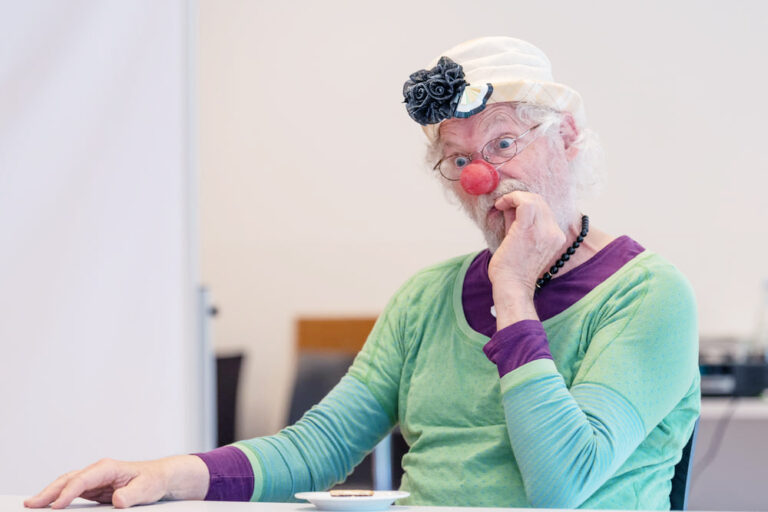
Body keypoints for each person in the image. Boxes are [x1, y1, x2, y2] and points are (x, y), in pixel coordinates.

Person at [25, 36, 699, 510]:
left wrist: (514, 292)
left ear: (567, 138)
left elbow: (563, 484)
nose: (482, 178)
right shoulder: (426, 298)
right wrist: (168, 474)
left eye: (502, 144)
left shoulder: (648, 293)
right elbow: (318, 447)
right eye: (458, 159)